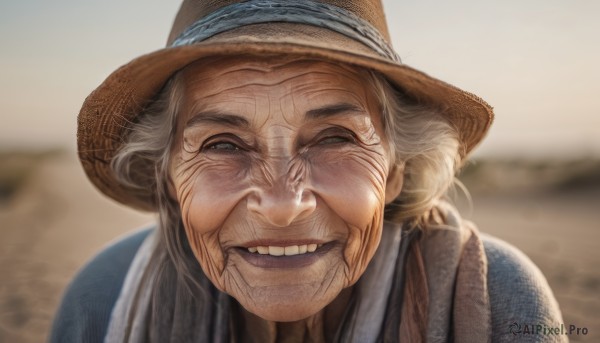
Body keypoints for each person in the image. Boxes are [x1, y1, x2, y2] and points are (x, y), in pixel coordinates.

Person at [51, 1, 565, 342]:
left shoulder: (501, 299)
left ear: (393, 170)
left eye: (335, 138)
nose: (280, 206)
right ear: (170, 176)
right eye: (224, 144)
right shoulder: (101, 297)